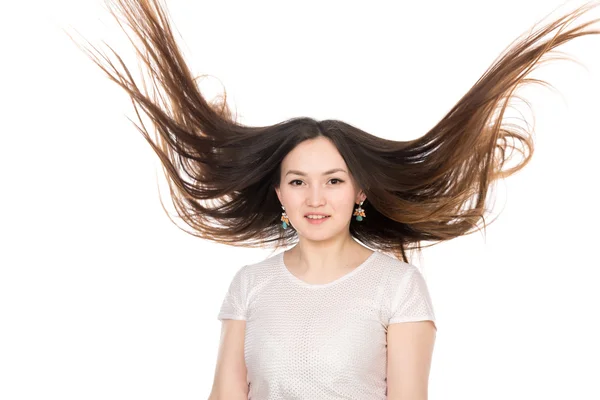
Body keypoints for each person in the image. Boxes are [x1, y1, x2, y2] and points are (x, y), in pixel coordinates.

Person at [67, 0, 600, 398]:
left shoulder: (399, 287)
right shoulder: (249, 285)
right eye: (297, 181)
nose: (315, 197)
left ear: (360, 191)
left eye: (335, 180)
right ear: (278, 193)